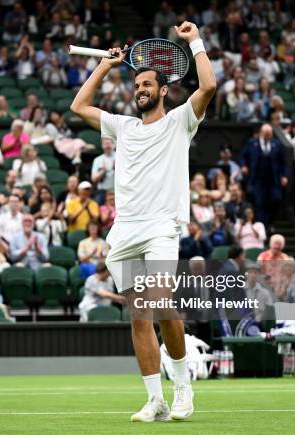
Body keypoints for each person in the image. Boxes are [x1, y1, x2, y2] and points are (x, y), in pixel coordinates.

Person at [70, 21, 215, 421]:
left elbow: (209, 88)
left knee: (160, 300)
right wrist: (105, 65)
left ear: (164, 90)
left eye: (147, 85)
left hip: (162, 226)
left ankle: (183, 386)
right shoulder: (124, 126)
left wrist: (195, 41)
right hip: (126, 229)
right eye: (136, 86)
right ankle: (156, 400)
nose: (140, 90)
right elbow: (79, 107)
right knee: (138, 315)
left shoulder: (181, 121)